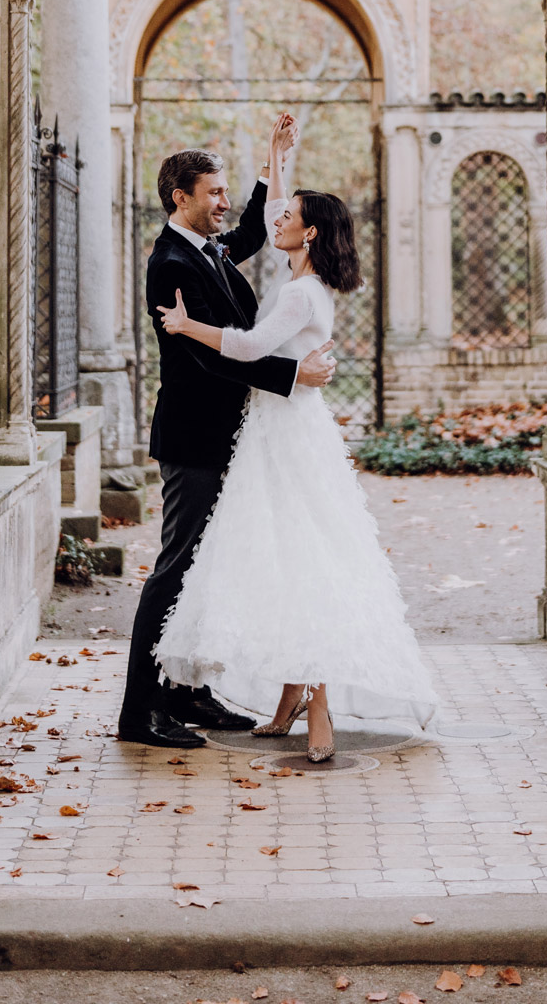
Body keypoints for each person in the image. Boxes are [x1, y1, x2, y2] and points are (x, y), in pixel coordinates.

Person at [153, 115, 438, 761]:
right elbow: (273, 212)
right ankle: (289, 697)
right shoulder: (302, 281)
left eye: (290, 218)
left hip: (281, 433)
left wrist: (186, 326)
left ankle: (316, 704)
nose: (271, 219)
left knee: (298, 559)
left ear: (307, 233)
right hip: (285, 428)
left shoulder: (298, 294)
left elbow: (252, 345)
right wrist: (277, 157)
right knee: (286, 556)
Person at [117, 120, 339, 750]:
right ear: (180, 198)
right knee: (175, 569)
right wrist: (294, 373)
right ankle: (140, 710)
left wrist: (274, 161)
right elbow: (212, 358)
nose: (225, 202)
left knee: (204, 571)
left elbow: (249, 233)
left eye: (224, 190)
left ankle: (187, 693)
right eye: (213, 192)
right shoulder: (170, 263)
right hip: (194, 441)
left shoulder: (205, 247)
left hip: (229, 439)